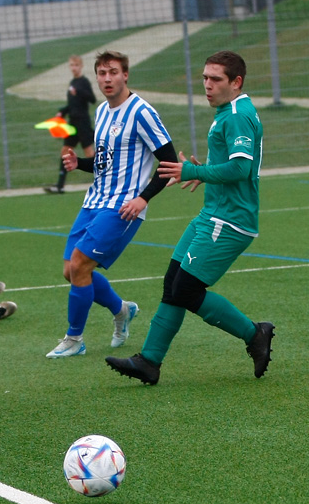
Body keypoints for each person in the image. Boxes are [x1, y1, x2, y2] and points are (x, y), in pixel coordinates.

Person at [105, 51, 274, 385]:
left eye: (216, 80)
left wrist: (194, 169)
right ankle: (149, 362)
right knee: (173, 282)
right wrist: (204, 172)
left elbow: (241, 168)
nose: (207, 86)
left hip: (230, 220)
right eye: (204, 78)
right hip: (213, 213)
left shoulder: (238, 114)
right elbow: (231, 163)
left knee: (186, 289)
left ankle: (254, 333)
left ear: (236, 82)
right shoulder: (228, 111)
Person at [46, 50, 178, 358]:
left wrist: (142, 199)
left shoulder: (141, 112)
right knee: (71, 270)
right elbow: (103, 163)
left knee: (79, 264)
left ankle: (74, 340)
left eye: (113, 72)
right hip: (94, 200)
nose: (107, 78)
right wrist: (78, 162)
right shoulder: (104, 112)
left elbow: (169, 161)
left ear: (125, 75)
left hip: (122, 207)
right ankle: (121, 309)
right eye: (102, 73)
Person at [44, 55, 96, 194]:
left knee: (90, 153)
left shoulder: (83, 82)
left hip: (83, 123)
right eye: (71, 65)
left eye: (76, 65)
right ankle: (60, 186)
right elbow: (73, 105)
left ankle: (103, 181)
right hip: (72, 124)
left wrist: (78, 92)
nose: (73, 68)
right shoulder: (72, 82)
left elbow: (92, 99)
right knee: (65, 152)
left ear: (81, 66)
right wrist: (62, 111)